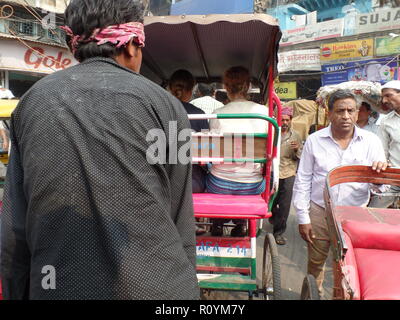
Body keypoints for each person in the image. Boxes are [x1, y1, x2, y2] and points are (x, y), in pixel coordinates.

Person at [1, 0, 199, 300]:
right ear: (133, 46)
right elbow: (180, 219)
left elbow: (14, 231)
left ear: (75, 47)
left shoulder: (31, 104)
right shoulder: (168, 107)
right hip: (158, 287)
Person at [293, 89, 387, 297]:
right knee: (316, 264)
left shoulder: (371, 142)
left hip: (355, 215)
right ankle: (312, 295)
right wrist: (303, 217)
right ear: (330, 113)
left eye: (350, 111)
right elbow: (303, 180)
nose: (345, 116)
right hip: (320, 211)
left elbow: (380, 187)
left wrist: (379, 176)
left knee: (349, 267)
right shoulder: (314, 140)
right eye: (340, 111)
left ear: (357, 113)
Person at [207, 66, 269, 237]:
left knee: (208, 174)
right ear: (248, 86)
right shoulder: (264, 114)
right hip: (251, 186)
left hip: (219, 184)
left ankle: (217, 223)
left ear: (226, 87)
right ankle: (240, 224)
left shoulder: (217, 114)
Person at [168, 69, 209, 235]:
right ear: (191, 89)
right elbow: (206, 154)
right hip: (193, 184)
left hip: (163, 182)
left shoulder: (156, 109)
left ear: (170, 88)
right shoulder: (199, 115)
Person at [270, 106, 302, 245]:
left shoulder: (296, 136)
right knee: (271, 202)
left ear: (291, 120)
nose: (284, 122)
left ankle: (278, 232)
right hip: (272, 172)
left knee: (284, 205)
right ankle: (274, 216)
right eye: (282, 120)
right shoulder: (271, 133)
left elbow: (300, 156)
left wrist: (297, 150)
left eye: (287, 120)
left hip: (288, 172)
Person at [369, 80, 400, 208]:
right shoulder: (386, 121)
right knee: (374, 212)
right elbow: (382, 152)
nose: (385, 101)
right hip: (393, 178)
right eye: (383, 97)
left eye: (388, 95)